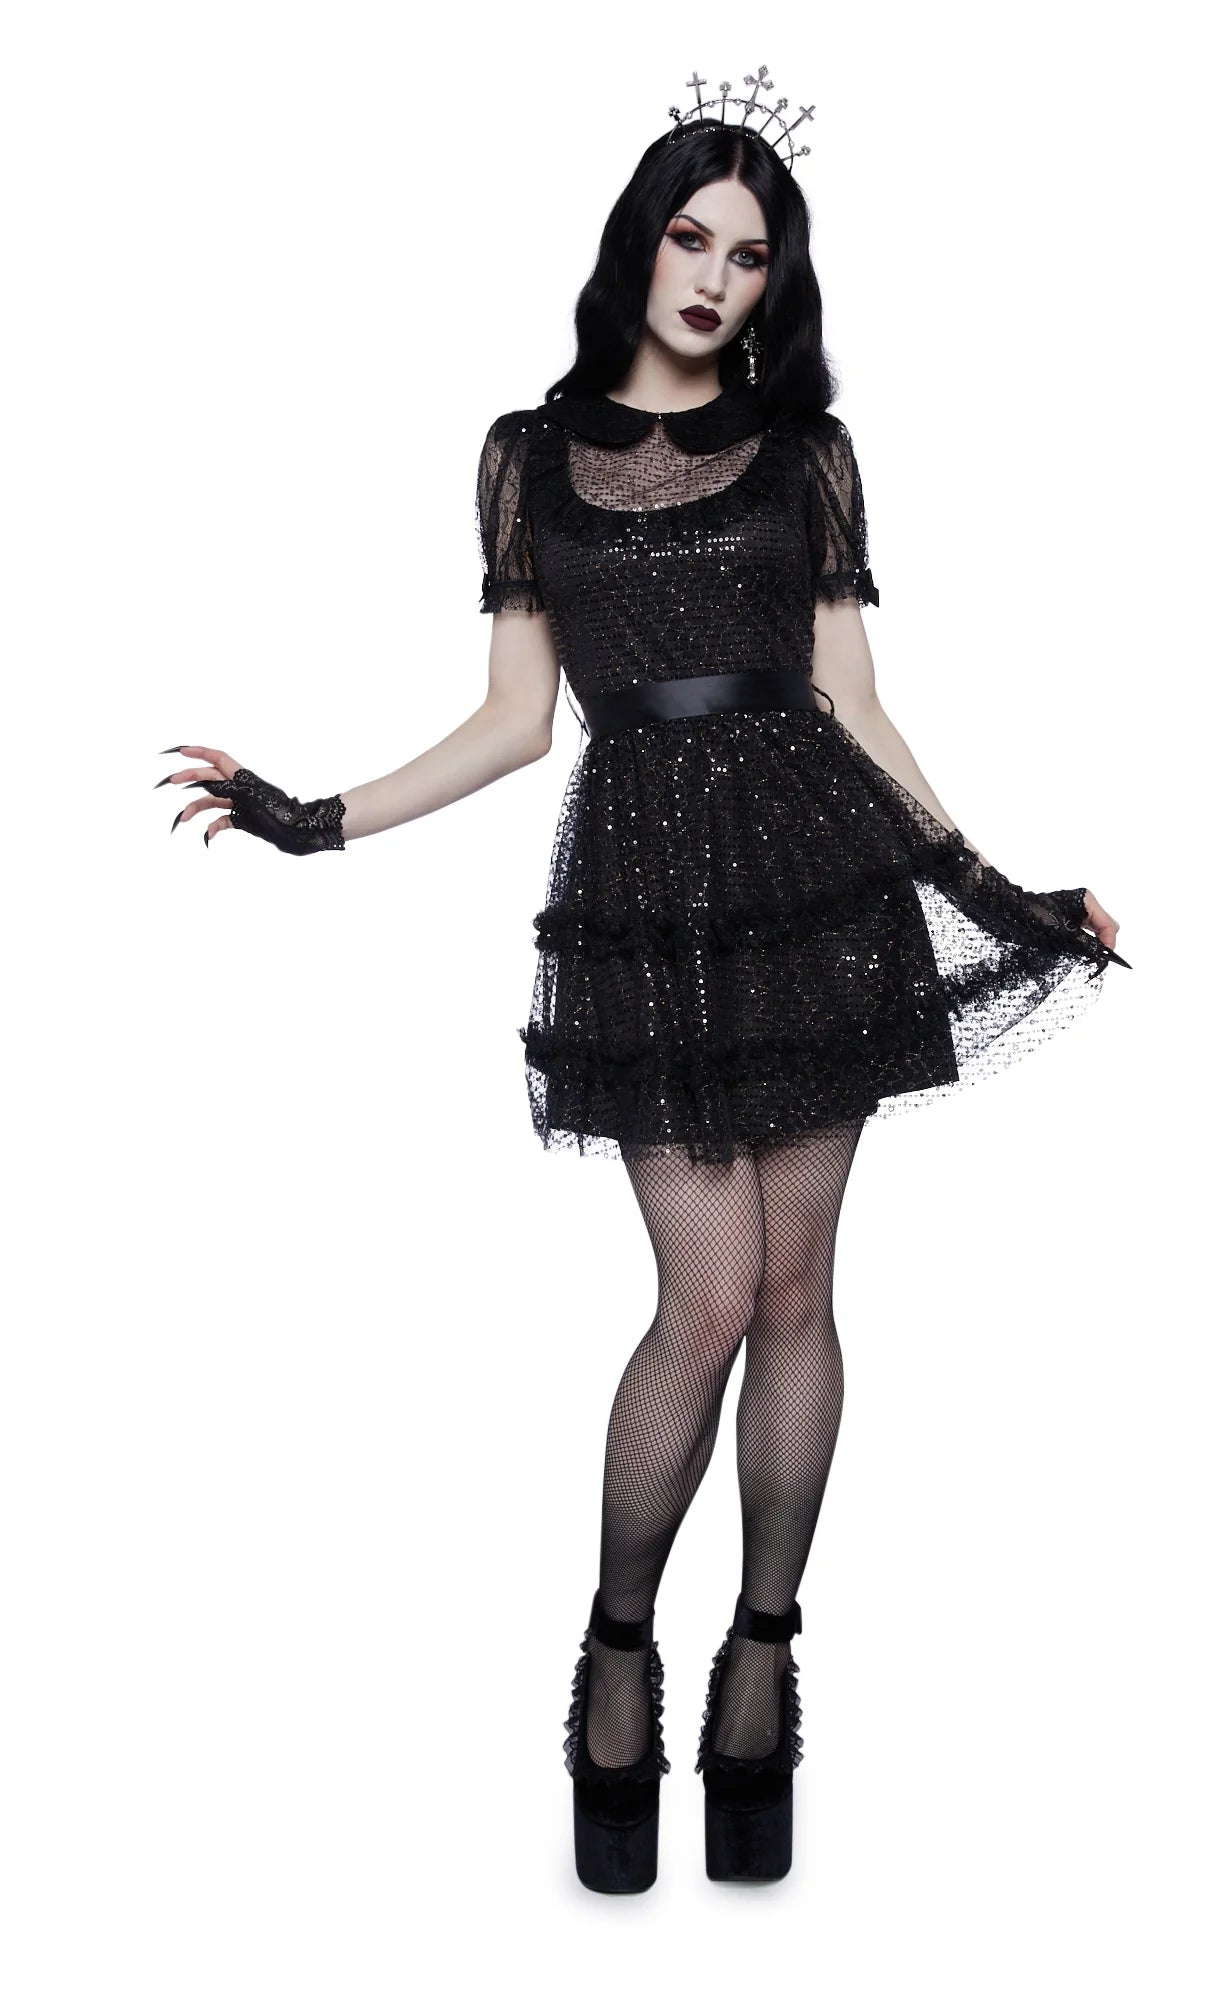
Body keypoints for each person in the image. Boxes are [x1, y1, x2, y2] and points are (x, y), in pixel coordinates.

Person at [156, 72, 1129, 1894]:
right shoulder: (524, 455)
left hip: (818, 882)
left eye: (749, 258)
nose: (713, 278)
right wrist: (318, 819)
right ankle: (618, 1650)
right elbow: (516, 721)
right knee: (708, 1299)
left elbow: (853, 700)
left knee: (798, 1292)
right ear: (639, 241)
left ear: (774, 285)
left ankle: (762, 1656)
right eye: (691, 237)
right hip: (647, 903)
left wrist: (991, 890)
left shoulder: (807, 449)